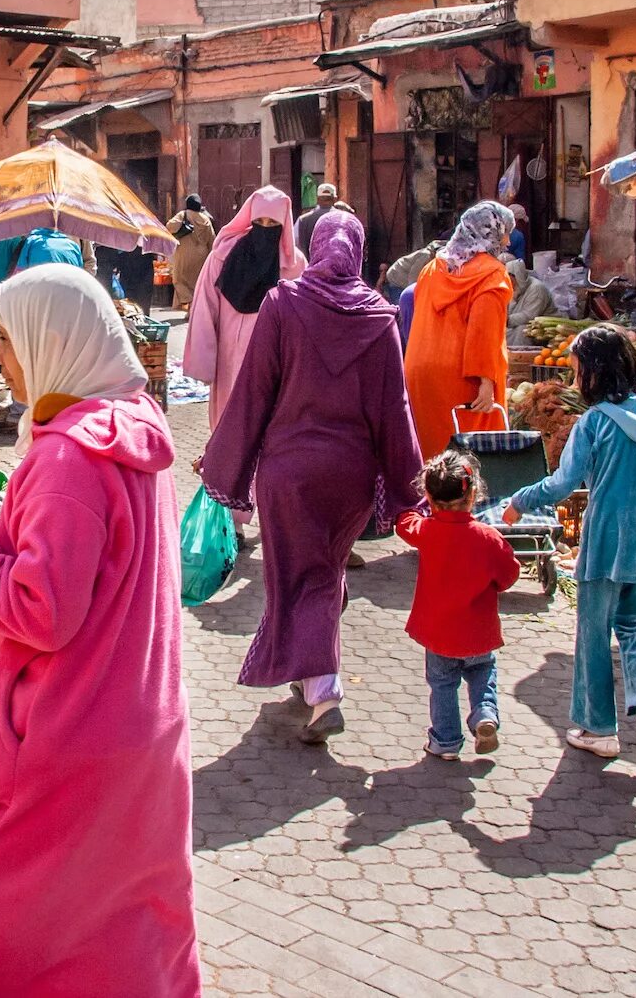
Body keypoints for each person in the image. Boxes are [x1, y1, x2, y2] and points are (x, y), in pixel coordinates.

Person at [0, 263, 199, 994]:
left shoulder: (70, 457)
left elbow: (40, 607)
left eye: (6, 340)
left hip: (59, 744)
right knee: (116, 942)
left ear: (51, 338)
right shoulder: (137, 434)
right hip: (137, 738)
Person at [200, 211, 423, 743]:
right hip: (350, 478)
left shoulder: (283, 303)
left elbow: (254, 390)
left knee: (304, 575)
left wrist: (224, 456)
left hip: (288, 474)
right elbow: (396, 408)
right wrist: (412, 485)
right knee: (323, 570)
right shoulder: (379, 316)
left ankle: (324, 691)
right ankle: (309, 678)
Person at [505, 324, 636, 763]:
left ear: (596, 372)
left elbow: (563, 483)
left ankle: (598, 729)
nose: (574, 383)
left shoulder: (594, 423)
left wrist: (519, 500)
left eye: (577, 373)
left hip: (609, 538)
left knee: (594, 633)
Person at [397, 450, 519, 760]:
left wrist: (408, 512)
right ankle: (484, 714)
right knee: (482, 672)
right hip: (479, 631)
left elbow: (405, 524)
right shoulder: (489, 538)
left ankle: (446, 741)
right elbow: (508, 576)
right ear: (474, 493)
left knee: (442, 684)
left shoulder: (427, 531)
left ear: (429, 496)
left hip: (438, 634)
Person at [181, 186, 305, 430]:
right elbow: (204, 309)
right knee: (229, 424)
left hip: (274, 361)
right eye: (259, 221)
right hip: (229, 358)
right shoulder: (223, 255)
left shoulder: (295, 264)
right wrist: (204, 363)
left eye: (272, 223)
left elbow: (303, 320)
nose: (265, 228)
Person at [405, 201, 516, 458]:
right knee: (469, 455)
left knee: (431, 450)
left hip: (419, 371)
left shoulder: (433, 268)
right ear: (489, 233)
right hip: (463, 374)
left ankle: (432, 499)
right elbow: (483, 332)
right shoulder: (492, 275)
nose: (508, 241)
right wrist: (486, 381)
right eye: (505, 232)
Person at [166, 193, 215, 311]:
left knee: (178, 280)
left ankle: (190, 300)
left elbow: (169, 226)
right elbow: (212, 239)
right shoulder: (206, 219)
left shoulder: (183, 215)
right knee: (196, 283)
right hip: (201, 255)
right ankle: (192, 310)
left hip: (184, 253)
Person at [505, 256, 558, 346]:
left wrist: (506, 320)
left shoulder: (536, 288)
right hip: (518, 324)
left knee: (522, 331)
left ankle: (520, 358)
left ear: (517, 276)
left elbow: (529, 316)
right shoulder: (515, 289)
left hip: (543, 329)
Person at [294, 182, 339, 255]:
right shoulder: (344, 218)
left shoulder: (303, 220)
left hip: (310, 264)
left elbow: (295, 243)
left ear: (317, 199)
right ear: (335, 199)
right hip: (337, 265)